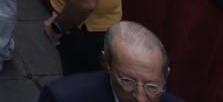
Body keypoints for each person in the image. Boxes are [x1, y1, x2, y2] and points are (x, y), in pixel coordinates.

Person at [35, 21, 183, 102]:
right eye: (127, 81)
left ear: (166, 76)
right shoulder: (63, 98)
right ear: (107, 64)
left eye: (151, 86)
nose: (140, 98)